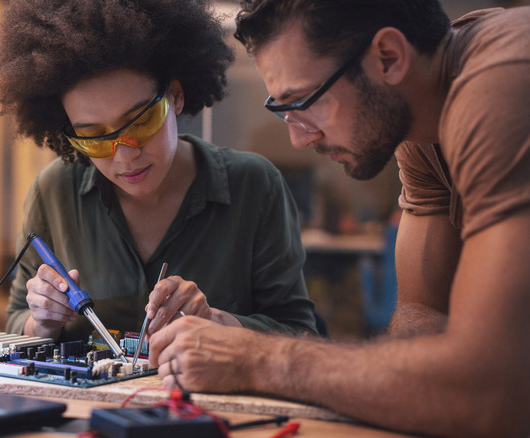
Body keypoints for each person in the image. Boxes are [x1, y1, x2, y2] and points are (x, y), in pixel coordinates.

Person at [149, 1, 530, 437]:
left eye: (304, 101)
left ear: (388, 57)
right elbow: (421, 321)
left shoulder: (503, 85)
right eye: (283, 109)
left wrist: (255, 358)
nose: (297, 138)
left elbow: (491, 389)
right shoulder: (420, 123)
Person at [0, 0, 319, 344]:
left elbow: (301, 334)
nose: (125, 156)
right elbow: (16, 322)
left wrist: (215, 321)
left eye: (141, 121)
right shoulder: (54, 192)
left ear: (174, 97)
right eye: (94, 136)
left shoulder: (254, 185)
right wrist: (43, 321)